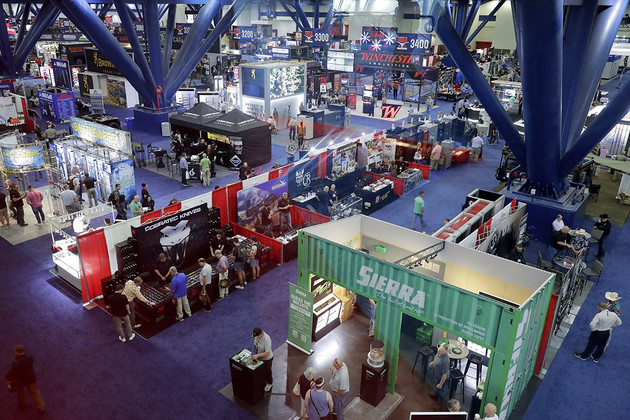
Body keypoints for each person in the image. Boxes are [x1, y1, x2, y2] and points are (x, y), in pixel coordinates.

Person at [5, 345, 45, 414]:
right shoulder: (30, 357)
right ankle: (41, 409)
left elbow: (14, 372)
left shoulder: (16, 362)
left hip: (21, 381)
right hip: (31, 379)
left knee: (20, 392)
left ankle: (22, 405)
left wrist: (8, 378)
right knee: (35, 392)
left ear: (17, 352)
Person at [251, 327, 274, 392]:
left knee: (268, 371)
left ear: (261, 334)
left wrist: (257, 355)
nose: (256, 338)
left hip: (267, 359)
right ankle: (263, 380)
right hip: (259, 356)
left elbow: (267, 353)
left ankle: (270, 383)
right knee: (261, 370)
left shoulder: (267, 339)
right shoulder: (257, 337)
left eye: (257, 337)